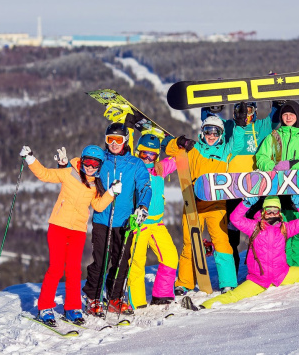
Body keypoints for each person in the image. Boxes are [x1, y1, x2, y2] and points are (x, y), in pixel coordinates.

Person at [188, 196, 299, 310]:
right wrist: (246, 203)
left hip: (282, 274)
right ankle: (203, 306)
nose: (272, 214)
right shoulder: (253, 227)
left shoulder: (284, 228)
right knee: (234, 295)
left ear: (280, 212)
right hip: (258, 279)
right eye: (269, 211)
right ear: (263, 212)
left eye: (276, 211)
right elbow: (235, 218)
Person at [18, 144, 122, 326]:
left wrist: (111, 193)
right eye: (87, 162)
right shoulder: (69, 173)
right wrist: (30, 159)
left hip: (78, 231)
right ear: (82, 160)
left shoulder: (95, 185)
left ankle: (72, 308)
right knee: (56, 269)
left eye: (95, 164)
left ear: (99, 166)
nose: (90, 167)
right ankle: (45, 307)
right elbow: (45, 174)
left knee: (74, 270)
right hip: (58, 226)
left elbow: (98, 206)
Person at [166, 112, 245, 295]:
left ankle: (228, 282)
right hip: (193, 203)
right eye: (208, 131)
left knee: (221, 241)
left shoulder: (225, 151)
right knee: (190, 242)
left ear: (221, 134)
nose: (211, 136)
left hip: (217, 205)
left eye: (216, 132)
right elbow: (170, 150)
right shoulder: (194, 149)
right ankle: (184, 282)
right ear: (202, 131)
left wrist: (240, 126)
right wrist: (179, 142)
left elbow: (238, 144)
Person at [82, 122, 152, 317]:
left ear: (125, 141)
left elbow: (145, 187)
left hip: (125, 221)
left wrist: (143, 207)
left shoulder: (135, 164)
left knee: (121, 261)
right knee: (100, 261)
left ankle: (115, 297)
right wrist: (64, 165)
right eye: (110, 139)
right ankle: (93, 298)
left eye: (118, 140)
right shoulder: (100, 159)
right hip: (102, 219)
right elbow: (82, 165)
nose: (114, 143)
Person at [206, 102, 280, 272]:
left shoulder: (261, 126)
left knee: (259, 231)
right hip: (232, 188)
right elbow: (209, 122)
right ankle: (231, 274)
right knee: (231, 236)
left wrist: (278, 104)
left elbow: (275, 119)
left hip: (255, 189)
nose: (244, 114)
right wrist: (210, 107)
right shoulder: (228, 126)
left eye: (248, 110)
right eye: (240, 110)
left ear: (255, 112)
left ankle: (262, 270)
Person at [255, 101, 299, 267]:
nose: (288, 117)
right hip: (279, 191)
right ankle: (284, 269)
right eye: (285, 114)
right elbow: (261, 158)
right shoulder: (274, 137)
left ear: (298, 116)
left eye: (291, 114)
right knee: (281, 234)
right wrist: (273, 166)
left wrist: (292, 164)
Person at [128, 134, 179, 309]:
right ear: (138, 152)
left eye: (152, 155)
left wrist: (171, 143)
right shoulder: (133, 168)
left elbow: (178, 158)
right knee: (136, 262)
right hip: (139, 224)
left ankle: (162, 294)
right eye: (144, 154)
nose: (148, 158)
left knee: (170, 256)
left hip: (157, 224)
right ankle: (137, 301)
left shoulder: (160, 169)